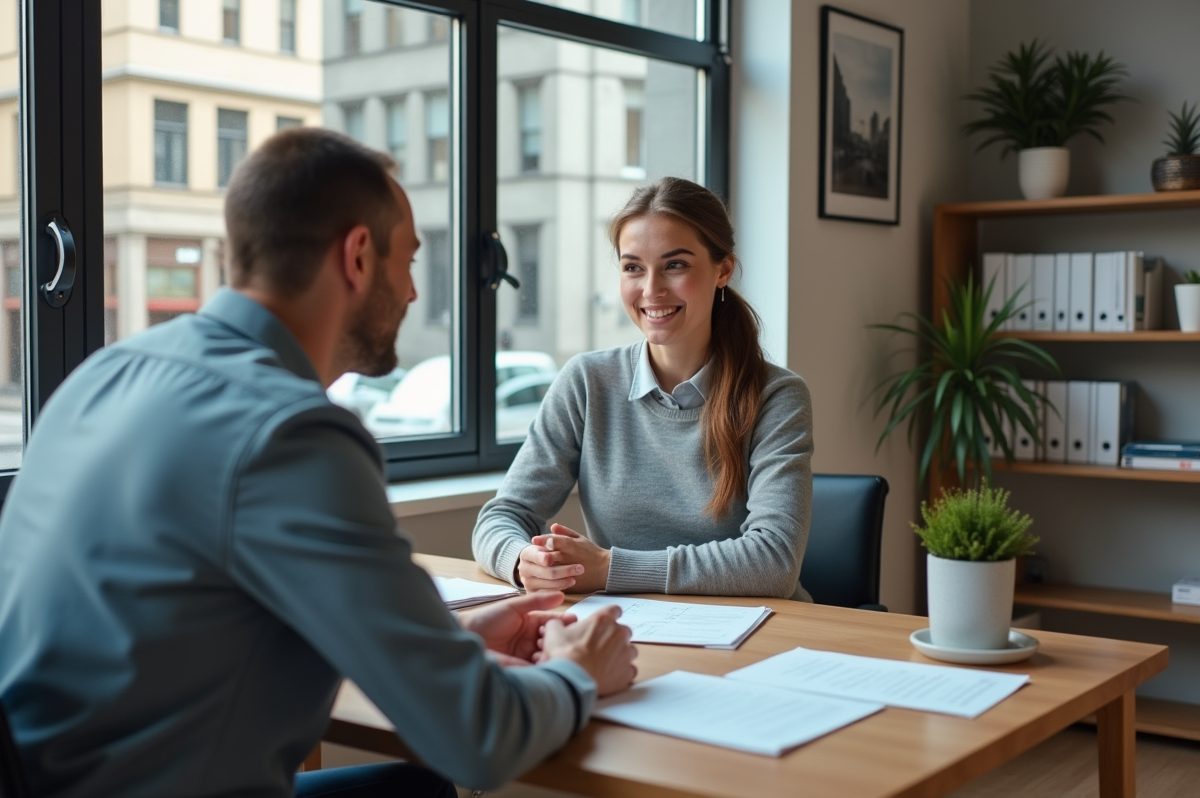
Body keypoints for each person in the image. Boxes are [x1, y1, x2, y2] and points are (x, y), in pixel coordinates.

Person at [0, 128, 637, 798]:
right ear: (359, 256)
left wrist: (446, 640)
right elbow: (480, 740)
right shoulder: (291, 433)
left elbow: (193, 621)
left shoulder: (104, 374)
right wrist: (579, 674)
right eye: (410, 262)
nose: (415, 294)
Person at [472, 177, 814, 600]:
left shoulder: (776, 396)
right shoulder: (586, 382)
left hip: (759, 636)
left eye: (675, 265)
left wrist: (610, 569)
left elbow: (774, 561)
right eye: (633, 267)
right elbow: (503, 516)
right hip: (629, 630)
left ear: (723, 269)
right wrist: (523, 562)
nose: (651, 289)